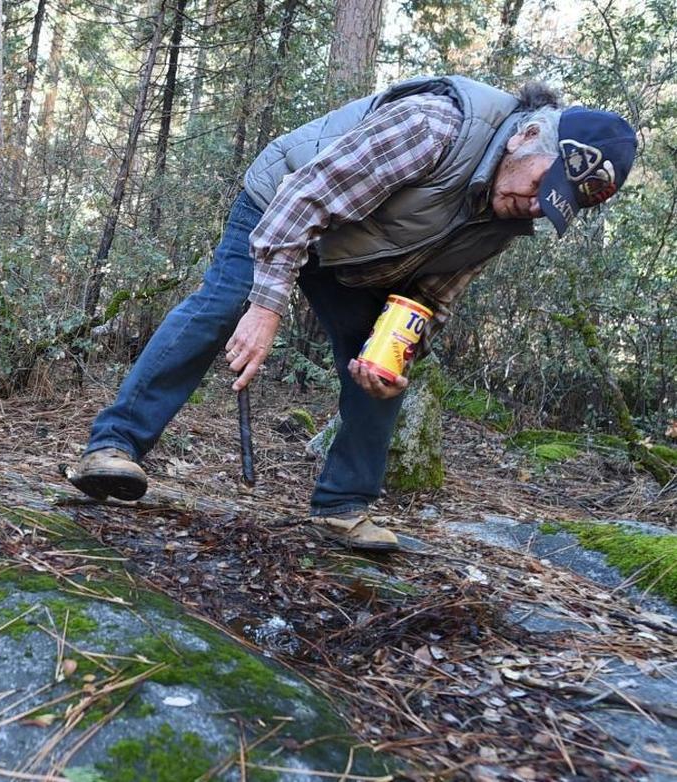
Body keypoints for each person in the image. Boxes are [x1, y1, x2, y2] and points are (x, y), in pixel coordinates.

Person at [66, 75, 637, 551]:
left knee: (383, 362)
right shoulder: (436, 125)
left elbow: (434, 294)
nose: (537, 205)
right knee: (222, 306)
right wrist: (267, 305)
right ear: (526, 136)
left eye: (554, 203)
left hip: (359, 253)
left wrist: (399, 349)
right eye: (543, 185)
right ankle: (114, 446)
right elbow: (305, 199)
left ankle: (342, 504)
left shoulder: (509, 217)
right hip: (285, 203)